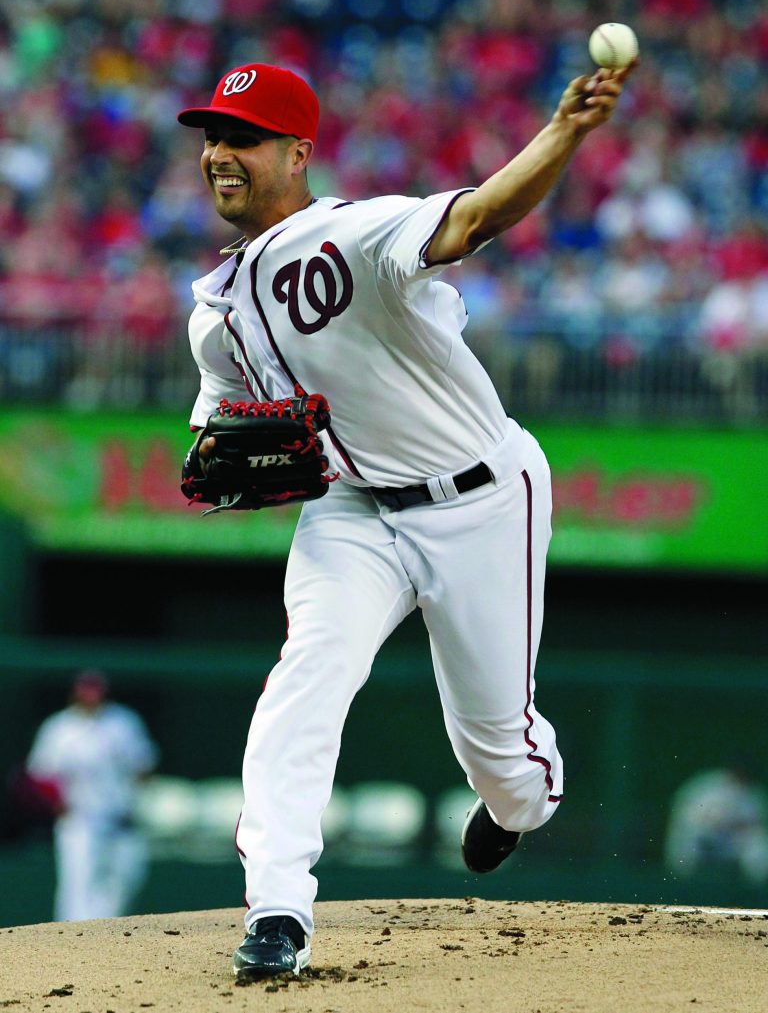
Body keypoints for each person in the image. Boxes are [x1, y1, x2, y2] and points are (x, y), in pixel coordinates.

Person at [176, 55, 635, 979]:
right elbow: (217, 430)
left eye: (247, 139)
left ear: (298, 152)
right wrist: (217, 461)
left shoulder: (359, 232)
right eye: (215, 138)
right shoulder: (215, 314)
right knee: (309, 673)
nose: (223, 155)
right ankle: (277, 907)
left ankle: (516, 805)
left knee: (498, 750)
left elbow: (477, 216)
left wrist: (565, 132)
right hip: (351, 514)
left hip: (480, 498)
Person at [25, 670, 159, 921]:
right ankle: (71, 941)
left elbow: (145, 765)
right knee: (79, 884)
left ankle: (102, 938)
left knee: (126, 879)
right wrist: (57, 804)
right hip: (79, 818)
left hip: (121, 817)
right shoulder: (59, 728)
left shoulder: (123, 723)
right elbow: (40, 775)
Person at [664, 760, 768, 885]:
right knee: (691, 836)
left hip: (727, 843)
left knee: (757, 841)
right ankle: (683, 881)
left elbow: (755, 826)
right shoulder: (705, 786)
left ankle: (755, 888)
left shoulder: (753, 794)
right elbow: (686, 818)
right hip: (703, 838)